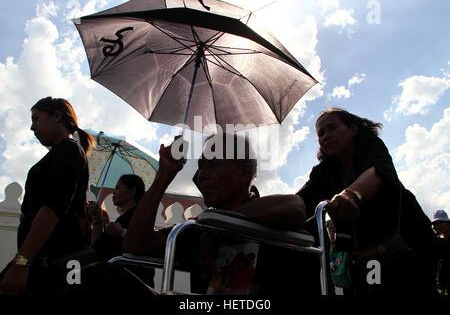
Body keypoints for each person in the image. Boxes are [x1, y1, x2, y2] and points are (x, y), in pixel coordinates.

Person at [123, 133, 319, 295]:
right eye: (201, 166)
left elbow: (295, 207)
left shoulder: (271, 217)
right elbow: (136, 244)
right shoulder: (198, 229)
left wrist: (219, 226)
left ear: (243, 172)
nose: (202, 175)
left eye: (213, 163)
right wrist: (164, 173)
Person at [296, 107, 437, 295]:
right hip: (365, 261)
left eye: (332, 128)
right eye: (320, 133)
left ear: (353, 129)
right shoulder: (323, 172)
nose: (325, 136)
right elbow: (299, 202)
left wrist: (351, 195)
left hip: (409, 247)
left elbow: (377, 173)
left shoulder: (372, 146)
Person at [0, 97, 95, 296]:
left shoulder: (68, 150)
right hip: (42, 259)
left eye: (36, 119)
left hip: (49, 261)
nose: (32, 128)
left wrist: (22, 262)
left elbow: (54, 207)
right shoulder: (64, 153)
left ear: (57, 116)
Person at [89, 174, 145, 260]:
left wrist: (122, 233)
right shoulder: (131, 217)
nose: (114, 193)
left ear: (132, 191)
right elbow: (97, 246)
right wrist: (97, 219)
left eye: (118, 188)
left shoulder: (133, 219)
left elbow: (97, 249)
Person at [431, 210, 450, 295]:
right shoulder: (438, 242)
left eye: (441, 222)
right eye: (436, 224)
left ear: (447, 223)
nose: (438, 226)